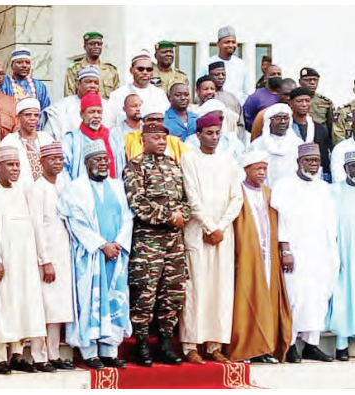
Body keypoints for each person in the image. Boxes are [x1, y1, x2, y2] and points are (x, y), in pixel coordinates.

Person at [0, 146, 51, 374]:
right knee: (3, 305)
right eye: (10, 165)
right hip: (3, 260)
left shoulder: (24, 189)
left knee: (23, 303)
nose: (15, 169)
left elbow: (36, 222)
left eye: (17, 164)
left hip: (25, 259)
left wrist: (41, 257)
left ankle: (17, 354)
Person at [59, 140, 134, 369]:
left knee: (114, 300)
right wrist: (102, 245)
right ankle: (90, 352)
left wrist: (118, 244)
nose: (103, 164)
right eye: (98, 160)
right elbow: (76, 222)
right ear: (86, 162)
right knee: (90, 301)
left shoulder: (118, 185)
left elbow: (128, 218)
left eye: (105, 159)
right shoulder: (76, 188)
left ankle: (110, 351)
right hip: (90, 257)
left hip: (116, 257)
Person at [123, 123, 191, 367]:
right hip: (148, 240)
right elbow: (137, 202)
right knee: (145, 293)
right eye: (156, 138)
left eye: (164, 138)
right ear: (144, 140)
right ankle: (142, 344)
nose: (161, 142)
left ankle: (165, 344)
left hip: (173, 241)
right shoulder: (135, 166)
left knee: (172, 293)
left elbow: (186, 199)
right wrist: (168, 216)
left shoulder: (174, 165)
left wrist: (182, 214)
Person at [180, 113, 244, 365]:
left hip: (223, 234)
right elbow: (191, 196)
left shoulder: (229, 160)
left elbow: (236, 198)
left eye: (217, 133)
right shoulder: (189, 157)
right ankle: (190, 345)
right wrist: (208, 226)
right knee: (196, 287)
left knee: (221, 287)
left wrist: (221, 227)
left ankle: (215, 345)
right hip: (198, 232)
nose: (214, 137)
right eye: (209, 133)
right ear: (199, 134)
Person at [271, 143, 339, 363]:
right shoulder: (285, 186)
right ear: (298, 162)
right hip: (296, 250)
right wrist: (285, 249)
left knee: (318, 297)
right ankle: (290, 345)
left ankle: (312, 344)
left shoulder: (324, 188)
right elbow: (281, 220)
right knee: (295, 297)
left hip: (320, 251)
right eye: (309, 160)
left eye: (316, 161)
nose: (313, 164)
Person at [227, 151, 292, 364]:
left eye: (265, 168)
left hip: (268, 255)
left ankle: (265, 349)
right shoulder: (237, 192)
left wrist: (283, 250)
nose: (262, 173)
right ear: (246, 170)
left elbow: (280, 223)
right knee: (247, 297)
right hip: (245, 254)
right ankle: (245, 349)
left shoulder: (269, 193)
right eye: (258, 168)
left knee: (268, 299)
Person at [28, 142, 75, 370]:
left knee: (57, 308)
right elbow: (36, 227)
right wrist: (44, 260)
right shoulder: (37, 189)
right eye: (52, 158)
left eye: (60, 158)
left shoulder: (65, 185)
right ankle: (39, 356)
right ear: (41, 162)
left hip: (64, 254)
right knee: (43, 308)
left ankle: (54, 354)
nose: (57, 162)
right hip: (45, 257)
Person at [62, 92, 125, 181]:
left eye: (99, 112)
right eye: (91, 112)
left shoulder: (113, 138)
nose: (96, 116)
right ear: (82, 114)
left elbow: (121, 168)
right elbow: (64, 171)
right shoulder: (71, 140)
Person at [328, 151, 355, 361]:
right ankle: (341, 343)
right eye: (352, 165)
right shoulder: (334, 191)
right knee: (342, 294)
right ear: (345, 169)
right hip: (342, 250)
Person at [106, 50, 170, 130]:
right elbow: (109, 124)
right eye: (140, 69)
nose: (145, 72)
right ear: (131, 70)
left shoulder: (159, 94)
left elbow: (167, 122)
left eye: (149, 69)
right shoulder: (118, 94)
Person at [41, 65, 106, 141]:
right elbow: (47, 137)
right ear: (78, 85)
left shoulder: (108, 106)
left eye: (96, 83)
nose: (93, 86)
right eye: (88, 82)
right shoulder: (61, 107)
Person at [250, 104, 307, 188]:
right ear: (269, 121)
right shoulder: (258, 144)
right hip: (265, 192)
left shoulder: (298, 143)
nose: (283, 122)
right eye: (278, 118)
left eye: (286, 118)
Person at [0, 98, 54, 184]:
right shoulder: (9, 141)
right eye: (28, 115)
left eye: (36, 115)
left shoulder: (46, 139)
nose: (32, 118)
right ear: (18, 118)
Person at [288, 87, 332, 181]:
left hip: (315, 177)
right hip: (290, 175)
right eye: (299, 101)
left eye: (307, 101)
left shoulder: (319, 128)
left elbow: (324, 156)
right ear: (291, 104)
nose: (304, 104)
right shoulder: (286, 128)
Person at [184, 99, 245, 164]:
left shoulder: (231, 140)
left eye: (220, 118)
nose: (217, 121)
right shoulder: (191, 142)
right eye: (213, 118)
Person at [200, 26, 248, 104]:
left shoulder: (241, 64)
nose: (230, 45)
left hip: (237, 109)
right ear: (218, 44)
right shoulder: (207, 64)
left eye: (233, 42)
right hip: (214, 108)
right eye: (227, 42)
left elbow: (246, 91)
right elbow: (200, 89)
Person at [64, 32, 119, 99]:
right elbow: (69, 95)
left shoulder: (110, 70)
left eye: (99, 44)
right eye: (92, 44)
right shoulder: (75, 69)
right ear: (85, 47)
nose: (96, 46)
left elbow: (116, 97)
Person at [123, 107, 188, 163]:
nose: (155, 123)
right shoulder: (131, 139)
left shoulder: (174, 142)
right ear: (143, 121)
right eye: (151, 119)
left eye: (159, 120)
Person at [243, 64, 282, 132]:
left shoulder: (286, 94)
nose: (276, 76)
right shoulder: (257, 96)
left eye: (279, 74)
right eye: (273, 74)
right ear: (265, 78)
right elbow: (247, 117)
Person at [208, 61, 244, 133]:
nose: (221, 77)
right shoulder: (205, 97)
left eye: (223, 74)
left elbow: (240, 124)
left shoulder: (232, 98)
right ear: (210, 75)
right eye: (217, 74)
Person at [299, 67, 333, 134]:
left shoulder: (325, 101)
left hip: (321, 136)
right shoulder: (294, 100)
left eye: (315, 80)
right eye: (307, 80)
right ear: (300, 82)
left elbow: (330, 125)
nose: (312, 83)